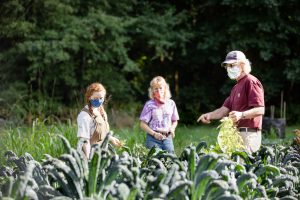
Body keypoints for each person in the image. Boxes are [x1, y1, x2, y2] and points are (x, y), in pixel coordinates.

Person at [197, 50, 265, 153]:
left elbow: (260, 109)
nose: (229, 69)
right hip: (235, 135)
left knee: (245, 167)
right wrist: (209, 115)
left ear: (242, 65)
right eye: (227, 66)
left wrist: (241, 115)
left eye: (232, 65)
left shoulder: (250, 81)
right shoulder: (235, 87)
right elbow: (223, 110)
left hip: (249, 134)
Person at [77, 82, 122, 158]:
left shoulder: (101, 111)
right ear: (89, 97)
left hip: (101, 155)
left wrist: (111, 139)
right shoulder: (84, 116)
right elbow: (85, 141)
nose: (98, 101)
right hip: (88, 156)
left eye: (101, 98)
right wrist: (89, 160)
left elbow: (101, 134)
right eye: (95, 98)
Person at [139, 76, 179, 153]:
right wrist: (154, 134)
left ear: (165, 89)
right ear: (152, 91)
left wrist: (172, 129)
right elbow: (142, 124)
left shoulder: (171, 103)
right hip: (152, 138)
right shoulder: (149, 105)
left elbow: (175, 121)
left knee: (170, 160)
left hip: (167, 137)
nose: (158, 90)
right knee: (154, 162)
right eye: (155, 88)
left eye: (161, 88)